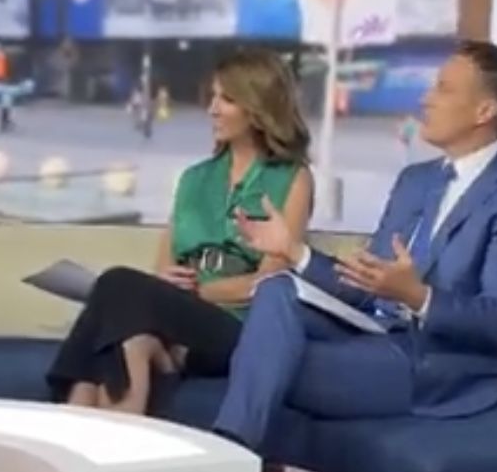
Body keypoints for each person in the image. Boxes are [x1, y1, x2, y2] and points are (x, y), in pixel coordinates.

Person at [211, 39, 497, 472]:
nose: (426, 99)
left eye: (443, 88)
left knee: (267, 362)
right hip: (374, 333)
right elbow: (364, 285)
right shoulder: (417, 181)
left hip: (439, 363)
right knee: (276, 288)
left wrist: (419, 297)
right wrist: (294, 251)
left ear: (484, 110)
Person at [48, 46, 314, 429]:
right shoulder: (194, 179)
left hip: (238, 329)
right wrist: (168, 285)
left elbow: (271, 281)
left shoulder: (293, 178)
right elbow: (164, 267)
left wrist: (198, 292)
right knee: (124, 338)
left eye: (227, 99)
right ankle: (97, 434)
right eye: (213, 97)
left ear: (258, 107)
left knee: (116, 283)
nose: (212, 109)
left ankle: (66, 412)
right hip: (179, 321)